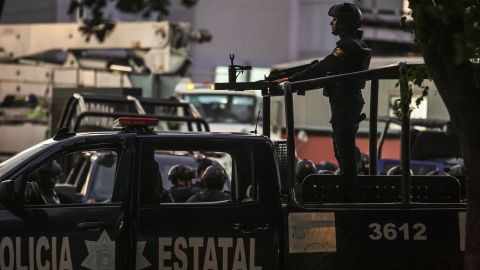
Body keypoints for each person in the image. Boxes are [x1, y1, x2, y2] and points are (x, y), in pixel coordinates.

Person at [274, 3, 371, 198]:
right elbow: (326, 67)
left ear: (343, 22)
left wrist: (292, 80)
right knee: (343, 145)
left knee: (344, 147)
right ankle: (348, 185)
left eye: (334, 19)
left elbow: (325, 66)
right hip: (347, 99)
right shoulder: (353, 44)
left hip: (344, 100)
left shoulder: (347, 46)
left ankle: (348, 191)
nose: (331, 23)